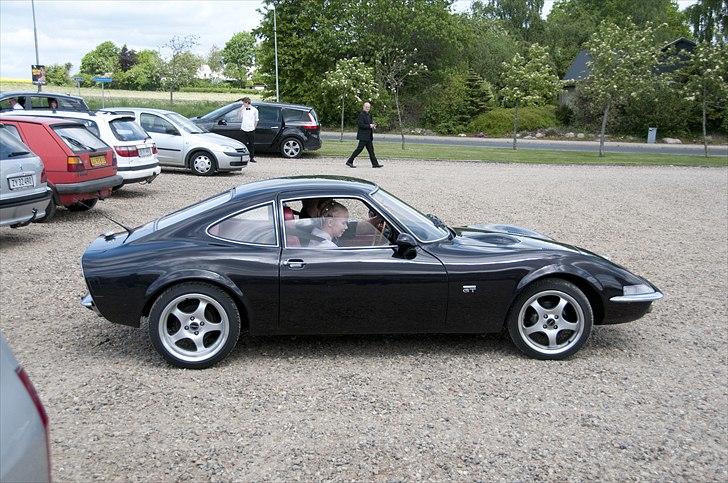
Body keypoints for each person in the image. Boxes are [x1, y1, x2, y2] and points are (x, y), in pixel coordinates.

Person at [345, 101, 383, 168]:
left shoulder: (369, 115)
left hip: (368, 136)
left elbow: (370, 124)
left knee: (371, 150)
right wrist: (369, 126)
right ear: (363, 107)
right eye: (366, 107)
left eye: (368, 107)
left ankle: (375, 164)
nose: (367, 108)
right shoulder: (361, 115)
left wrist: (373, 126)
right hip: (363, 136)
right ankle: (349, 161)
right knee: (359, 149)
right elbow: (361, 125)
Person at [238, 97, 259, 163]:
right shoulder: (243, 109)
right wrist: (240, 110)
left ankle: (252, 157)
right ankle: (243, 157)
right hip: (243, 128)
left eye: (244, 103)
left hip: (251, 129)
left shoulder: (255, 110)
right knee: (243, 144)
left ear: (247, 103)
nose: (243, 104)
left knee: (251, 144)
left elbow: (256, 120)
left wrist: (254, 128)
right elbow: (239, 117)